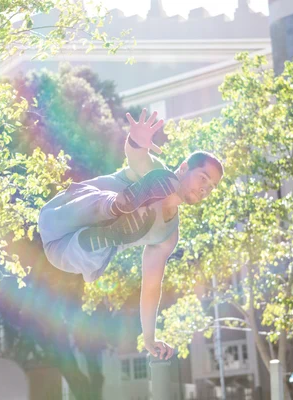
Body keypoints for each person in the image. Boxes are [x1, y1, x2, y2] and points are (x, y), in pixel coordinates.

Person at [38, 109, 223, 360]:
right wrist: (136, 140)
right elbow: (137, 156)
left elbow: (151, 286)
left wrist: (149, 337)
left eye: (211, 188)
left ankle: (110, 230)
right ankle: (116, 205)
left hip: (68, 253)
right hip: (61, 216)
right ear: (183, 168)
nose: (205, 189)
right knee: (106, 208)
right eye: (203, 178)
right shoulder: (158, 175)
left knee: (100, 251)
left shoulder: (168, 236)